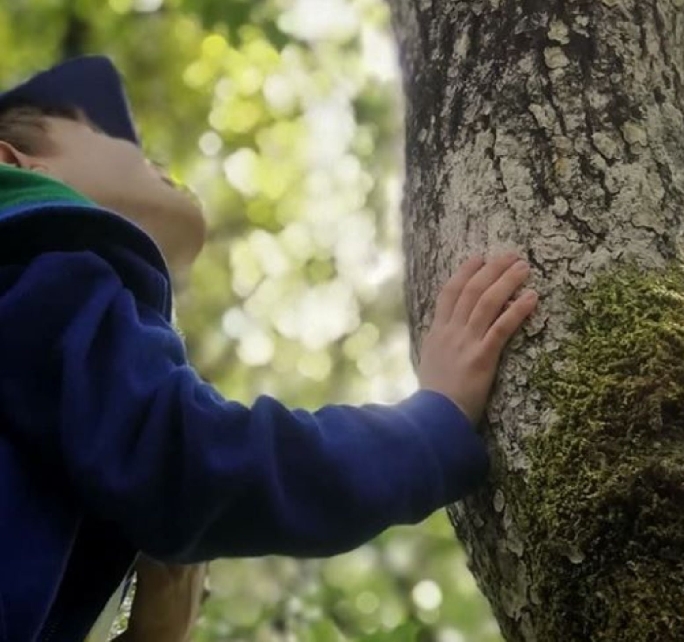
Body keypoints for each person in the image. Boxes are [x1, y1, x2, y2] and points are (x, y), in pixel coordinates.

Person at [0, 56, 538, 641]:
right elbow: (187, 460)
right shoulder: (44, 263)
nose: (145, 153)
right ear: (11, 162)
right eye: (100, 131)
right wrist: (430, 427)